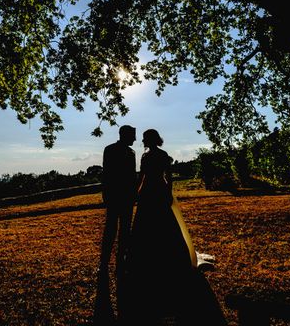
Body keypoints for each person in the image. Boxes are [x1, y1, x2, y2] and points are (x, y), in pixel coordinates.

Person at [121, 129, 227, 325]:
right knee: (159, 226)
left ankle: (155, 260)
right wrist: (156, 192)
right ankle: (160, 257)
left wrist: (147, 192)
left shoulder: (153, 156)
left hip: (154, 193)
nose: (143, 140)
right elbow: (158, 178)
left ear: (149, 139)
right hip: (156, 192)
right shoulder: (156, 155)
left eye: (145, 138)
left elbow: (155, 177)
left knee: (155, 226)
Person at [94, 125, 138, 323]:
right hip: (115, 196)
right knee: (110, 229)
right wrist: (106, 193)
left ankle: (120, 262)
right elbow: (107, 172)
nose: (135, 139)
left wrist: (135, 193)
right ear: (125, 135)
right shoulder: (110, 149)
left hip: (128, 197)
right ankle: (104, 263)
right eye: (133, 136)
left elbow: (133, 175)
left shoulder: (131, 152)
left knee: (125, 231)